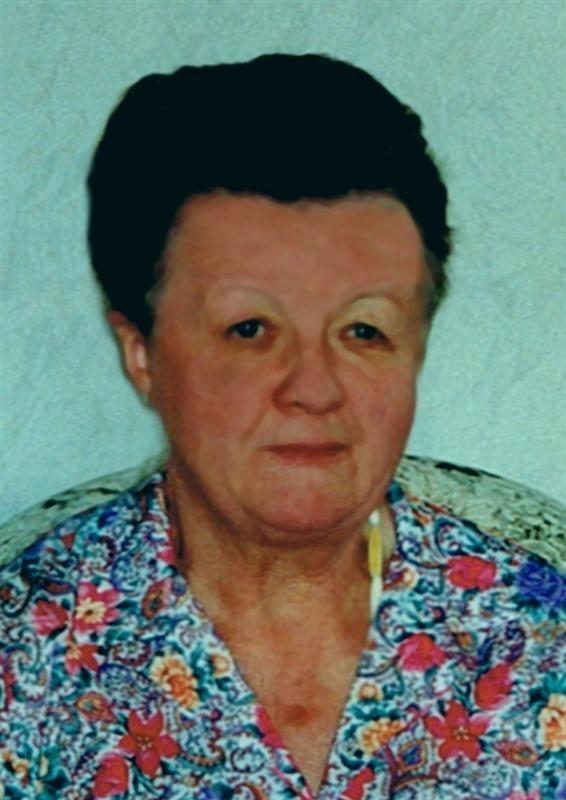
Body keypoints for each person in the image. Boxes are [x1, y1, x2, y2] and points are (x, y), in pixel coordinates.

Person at [0, 53, 564, 800]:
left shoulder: (537, 638)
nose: (313, 389)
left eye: (364, 331)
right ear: (142, 354)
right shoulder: (26, 659)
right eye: (249, 329)